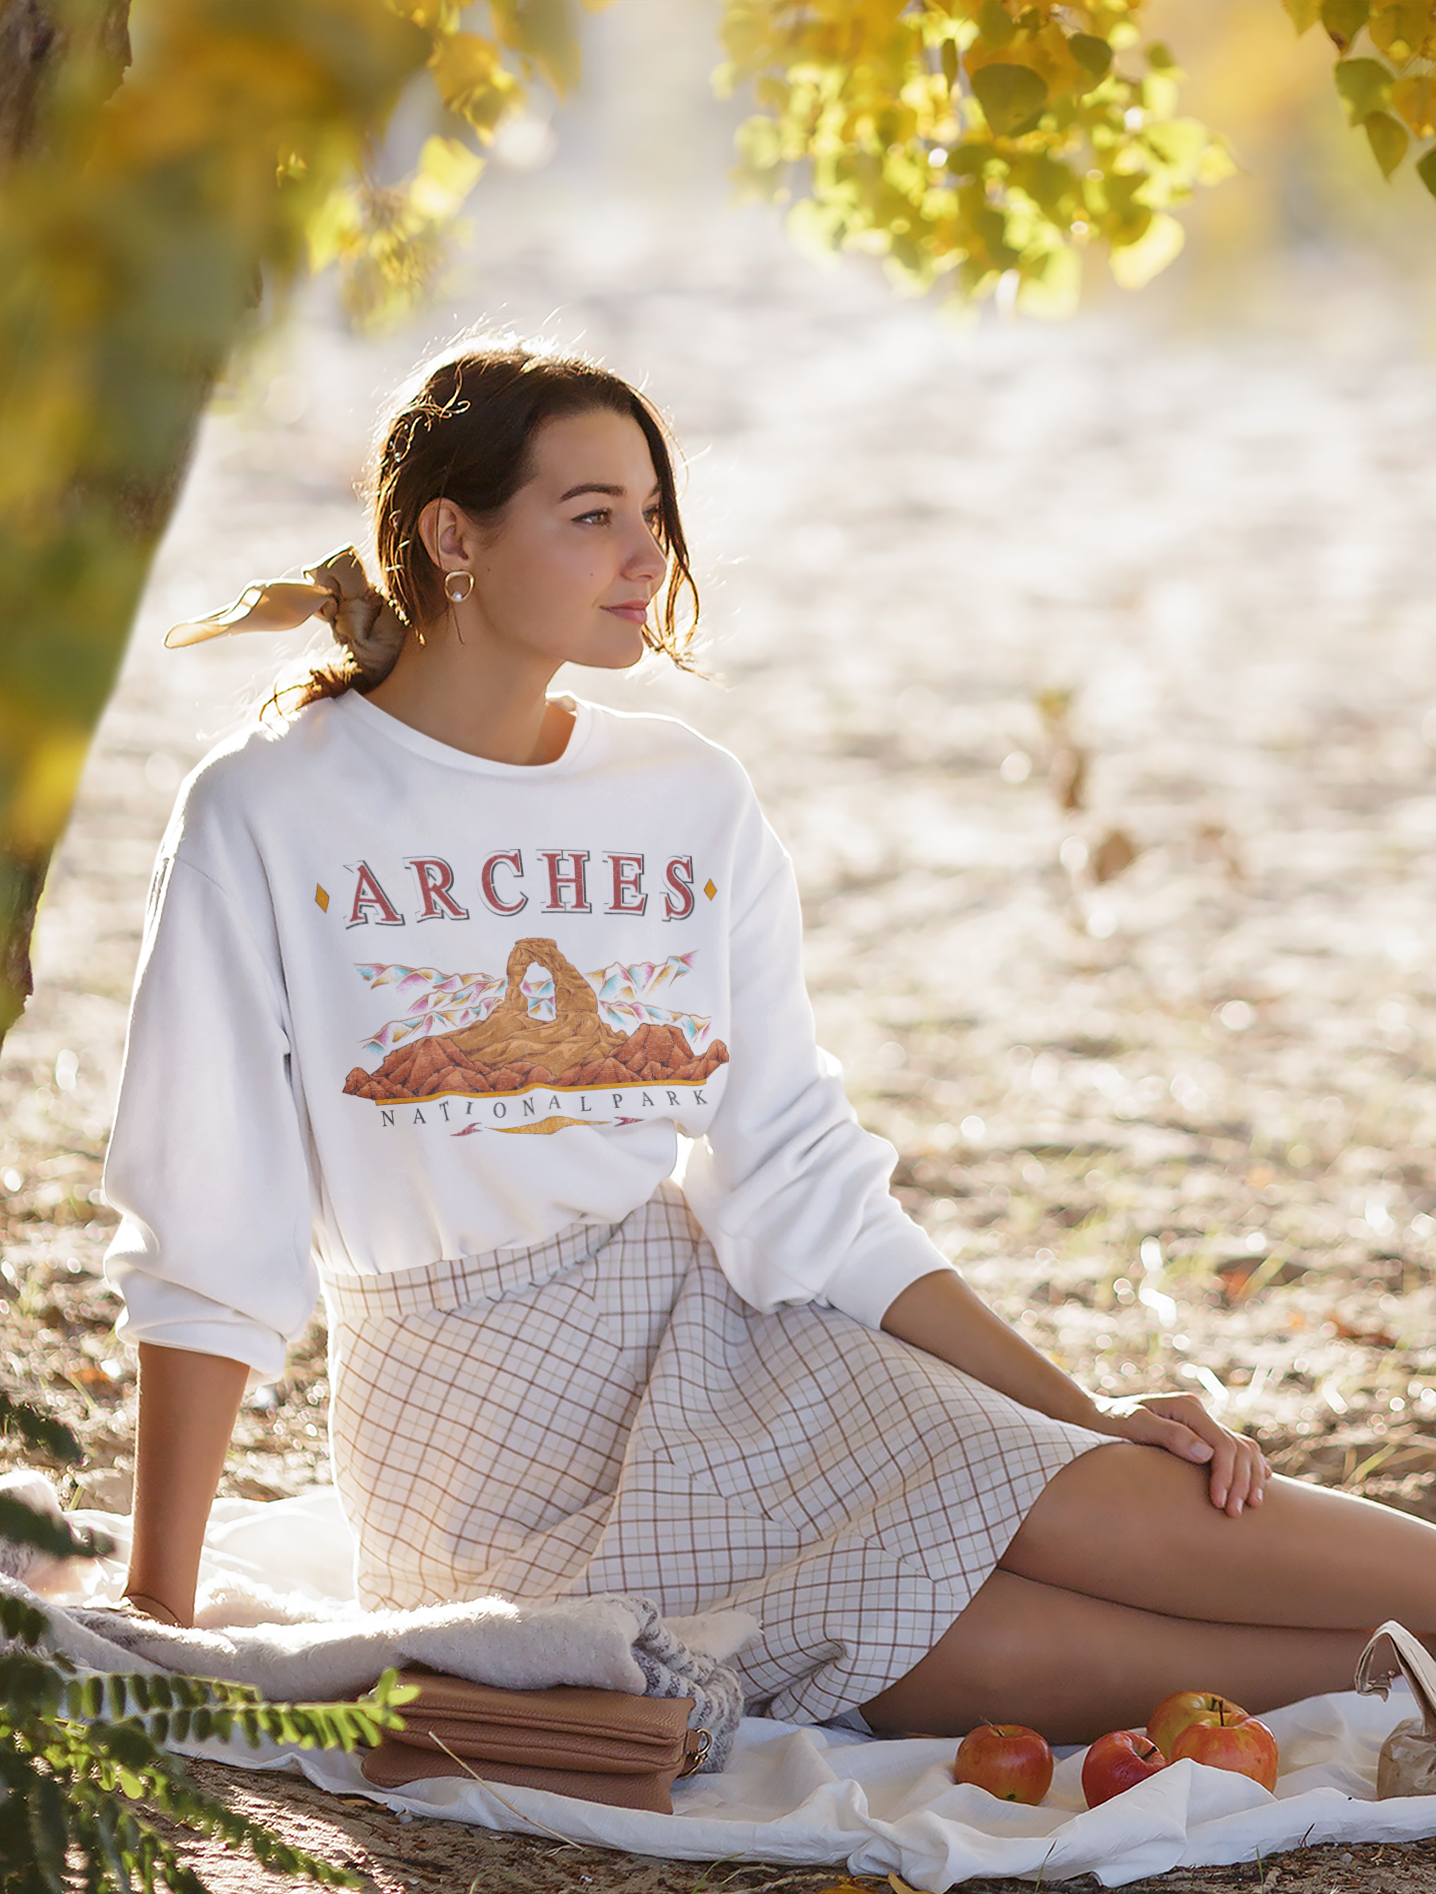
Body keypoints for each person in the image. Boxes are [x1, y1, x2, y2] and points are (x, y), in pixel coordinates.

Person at [106, 336, 1436, 1746]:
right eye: (593, 513)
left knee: (1098, 1498)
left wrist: (1075, 1406)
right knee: (975, 1652)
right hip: (476, 1431)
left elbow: (792, 1165)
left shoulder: (687, 794)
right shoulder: (270, 809)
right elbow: (211, 1215)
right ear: (454, 535)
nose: (648, 552)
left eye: (655, 511)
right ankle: (1396, 1672)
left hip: (721, 1338)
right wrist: (159, 1598)